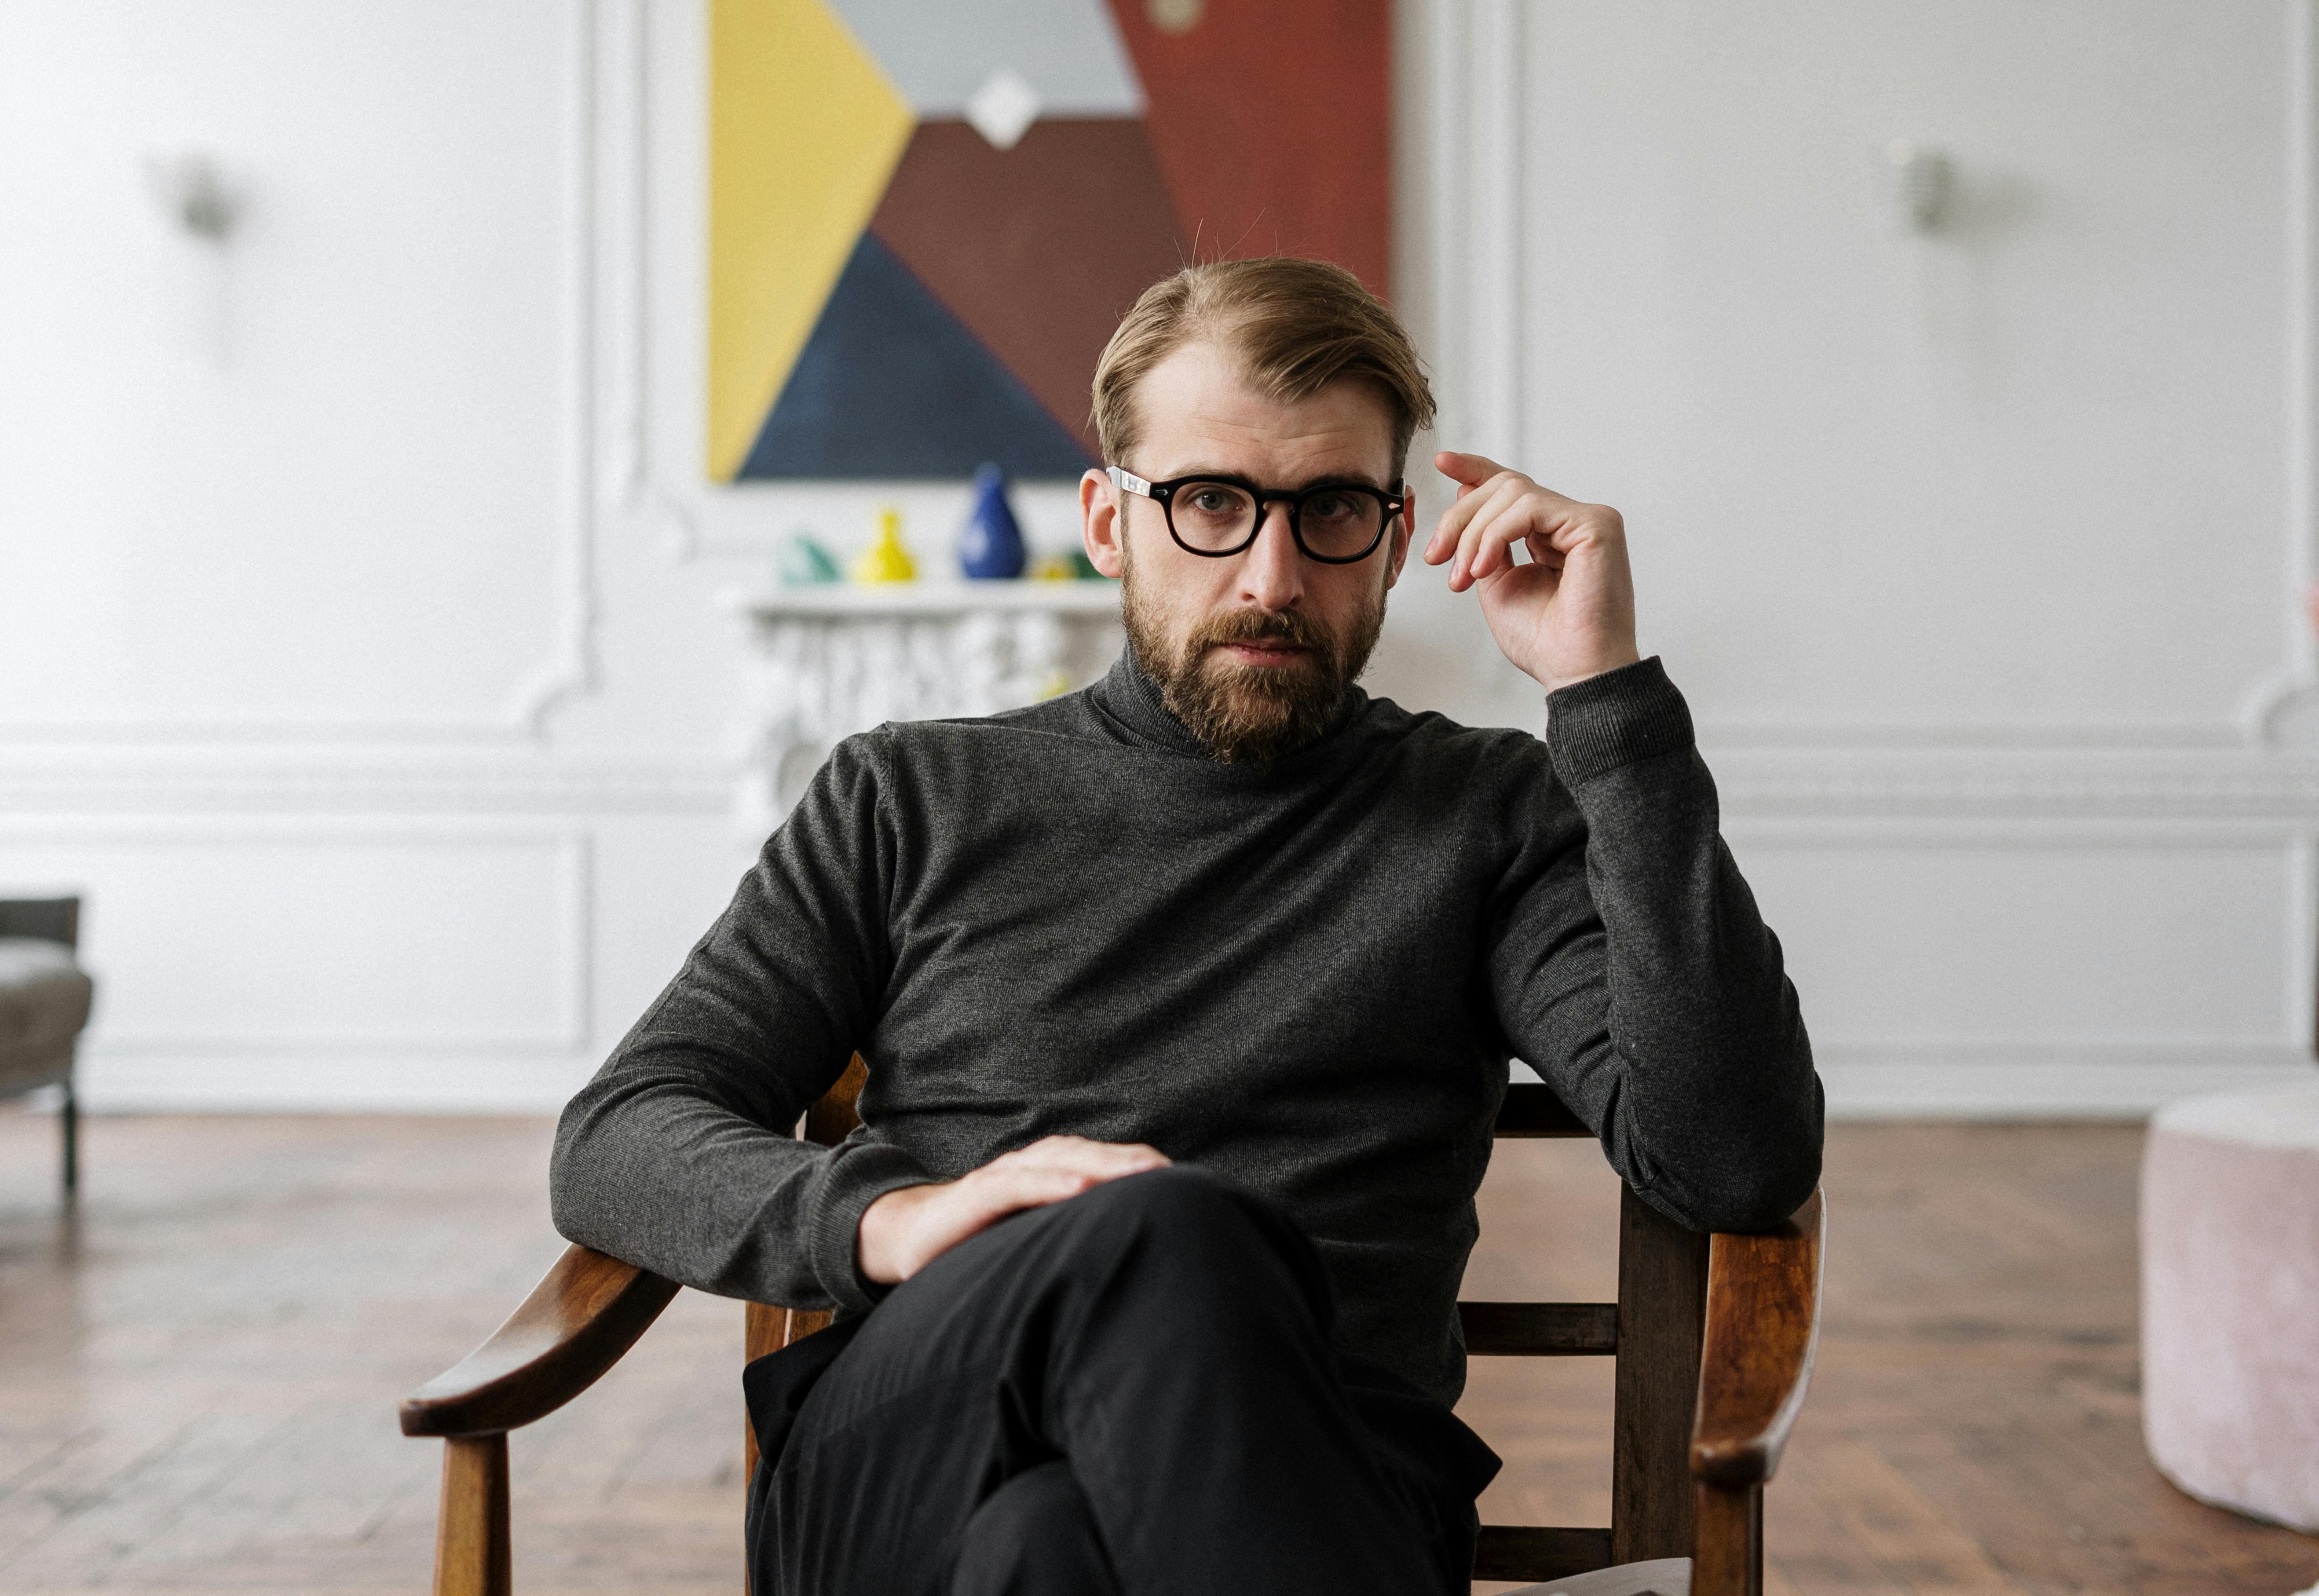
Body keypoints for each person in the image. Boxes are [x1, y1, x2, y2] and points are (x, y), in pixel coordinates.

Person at [551, 257, 1823, 1596]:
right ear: (1109, 521)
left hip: (1326, 1473)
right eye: (1211, 502)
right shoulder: (909, 794)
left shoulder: (1486, 815)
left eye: (1331, 508)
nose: (1271, 575)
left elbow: (1732, 1159)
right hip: (918, 1438)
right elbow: (620, 1135)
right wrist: (900, 1221)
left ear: (1397, 540)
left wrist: (1607, 698)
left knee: (1047, 1546)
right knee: (1173, 1232)